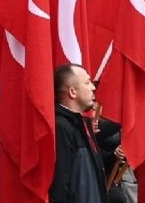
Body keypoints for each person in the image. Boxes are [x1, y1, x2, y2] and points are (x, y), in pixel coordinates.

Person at [50, 64, 107, 203]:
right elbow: (60, 186)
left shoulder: (83, 125)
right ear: (72, 92)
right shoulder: (61, 127)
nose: (93, 87)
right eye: (87, 83)